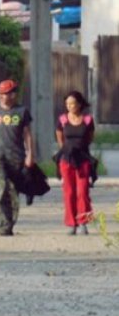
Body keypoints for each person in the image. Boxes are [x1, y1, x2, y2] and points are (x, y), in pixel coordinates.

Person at [0, 79, 34, 237]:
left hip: (16, 157)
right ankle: (4, 225)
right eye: (0, 94)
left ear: (13, 95)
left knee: (13, 192)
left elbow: (27, 134)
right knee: (2, 189)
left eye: (5, 94)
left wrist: (30, 154)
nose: (2, 97)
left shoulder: (22, 111)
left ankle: (11, 221)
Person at [55, 90, 95, 235]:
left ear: (79, 104)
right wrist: (64, 149)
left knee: (82, 191)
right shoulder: (63, 119)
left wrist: (81, 148)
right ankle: (72, 223)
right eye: (67, 104)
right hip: (66, 160)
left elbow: (90, 137)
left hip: (83, 160)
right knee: (69, 192)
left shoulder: (87, 120)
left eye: (72, 103)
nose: (70, 106)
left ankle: (83, 222)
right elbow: (59, 135)